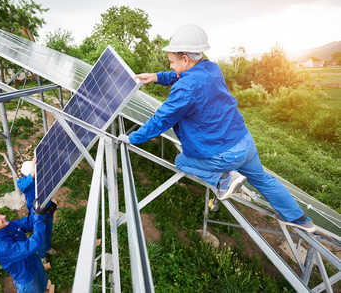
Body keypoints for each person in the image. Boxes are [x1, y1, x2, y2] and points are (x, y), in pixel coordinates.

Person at [117, 24, 315, 232]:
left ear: (185, 59)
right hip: (244, 142)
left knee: (181, 160)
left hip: (223, 154)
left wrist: (132, 138)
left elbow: (161, 120)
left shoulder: (185, 89)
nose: (171, 66)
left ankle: (224, 178)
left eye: (172, 62)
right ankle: (299, 219)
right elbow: (183, 76)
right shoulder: (211, 68)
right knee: (264, 180)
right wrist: (156, 76)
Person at [0, 205, 55, 292]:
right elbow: (34, 243)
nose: (3, 216)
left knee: (41, 285)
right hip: (26, 277)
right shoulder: (1, 248)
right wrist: (39, 221)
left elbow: (26, 223)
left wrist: (38, 213)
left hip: (34, 263)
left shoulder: (5, 226)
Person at [17, 158, 56, 259]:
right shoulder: (22, 183)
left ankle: (47, 247)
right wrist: (34, 170)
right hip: (37, 213)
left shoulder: (43, 178)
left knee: (48, 230)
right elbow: (25, 185)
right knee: (41, 235)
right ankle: (42, 256)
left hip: (47, 210)